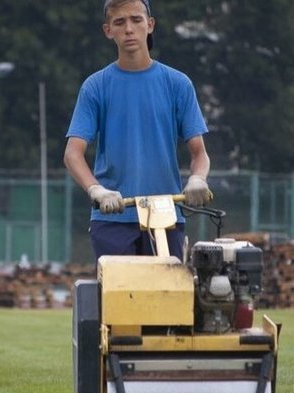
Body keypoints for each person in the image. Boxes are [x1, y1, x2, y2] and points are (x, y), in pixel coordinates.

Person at [64, 0, 211, 261]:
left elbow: (199, 152)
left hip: (165, 217)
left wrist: (198, 178)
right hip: (112, 218)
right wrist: (96, 190)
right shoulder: (95, 87)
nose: (129, 29)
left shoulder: (178, 84)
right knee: (117, 299)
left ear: (150, 25)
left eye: (136, 20)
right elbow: (73, 154)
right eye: (120, 22)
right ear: (108, 31)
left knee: (167, 298)